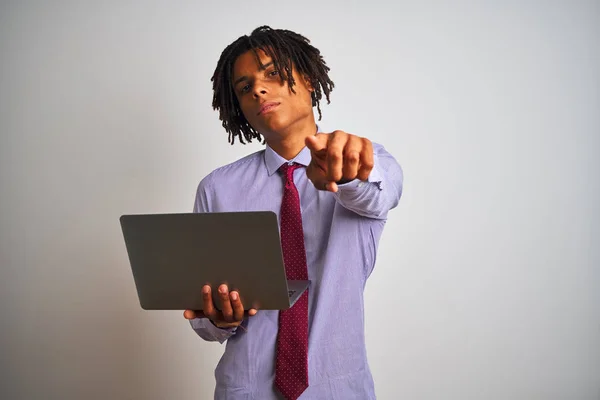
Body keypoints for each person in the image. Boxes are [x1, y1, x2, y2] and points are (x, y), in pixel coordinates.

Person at [183, 26, 403, 400]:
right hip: (246, 389)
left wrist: (345, 174)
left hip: (338, 389)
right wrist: (220, 318)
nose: (258, 89)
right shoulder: (217, 189)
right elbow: (207, 324)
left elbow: (376, 195)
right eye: (244, 87)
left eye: (272, 73)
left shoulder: (367, 161)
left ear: (309, 79)